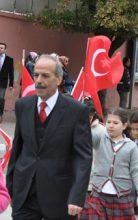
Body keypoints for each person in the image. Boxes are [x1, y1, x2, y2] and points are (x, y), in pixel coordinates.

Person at [7, 54, 92, 219]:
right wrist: (11, 187)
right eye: (36, 75)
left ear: (59, 79)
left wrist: (77, 196)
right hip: (24, 193)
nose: (39, 80)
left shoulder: (76, 111)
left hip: (59, 196)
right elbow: (18, 148)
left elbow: (83, 157)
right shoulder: (22, 105)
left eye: (45, 76)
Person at [79, 108, 138, 219]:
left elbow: (137, 171)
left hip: (121, 196)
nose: (111, 125)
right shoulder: (100, 138)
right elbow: (85, 137)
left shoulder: (131, 146)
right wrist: (83, 122)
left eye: (115, 123)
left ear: (124, 126)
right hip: (98, 194)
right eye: (108, 122)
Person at [0, 42, 14, 123]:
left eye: (1, 48)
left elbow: (11, 72)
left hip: (3, 82)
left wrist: (11, 84)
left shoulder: (9, 59)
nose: (0, 49)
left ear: (5, 50)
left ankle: (0, 114)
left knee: (1, 98)